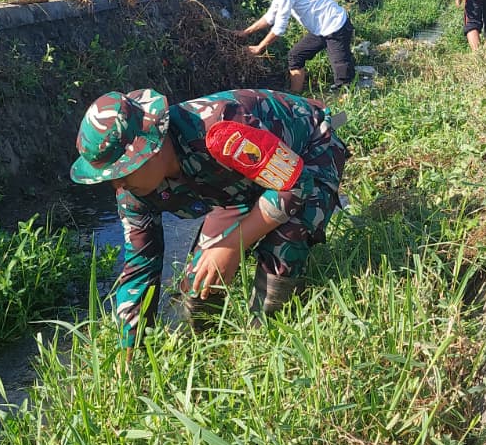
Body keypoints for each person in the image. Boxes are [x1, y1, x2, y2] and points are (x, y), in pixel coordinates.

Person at [70, 87, 348, 348]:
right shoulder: (132, 191)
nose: (117, 186)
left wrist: (230, 247)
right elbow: (140, 266)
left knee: (283, 241)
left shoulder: (219, 130)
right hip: (237, 187)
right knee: (199, 280)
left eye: (122, 172)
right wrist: (127, 355)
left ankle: (269, 339)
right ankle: (207, 348)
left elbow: (294, 184)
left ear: (150, 149)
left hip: (309, 152)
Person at [235, 0, 356, 93]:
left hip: (336, 25)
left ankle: (345, 101)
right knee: (296, 55)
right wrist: (245, 33)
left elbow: (279, 28)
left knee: (342, 71)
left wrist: (259, 48)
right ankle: (295, 97)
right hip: (320, 28)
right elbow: (270, 17)